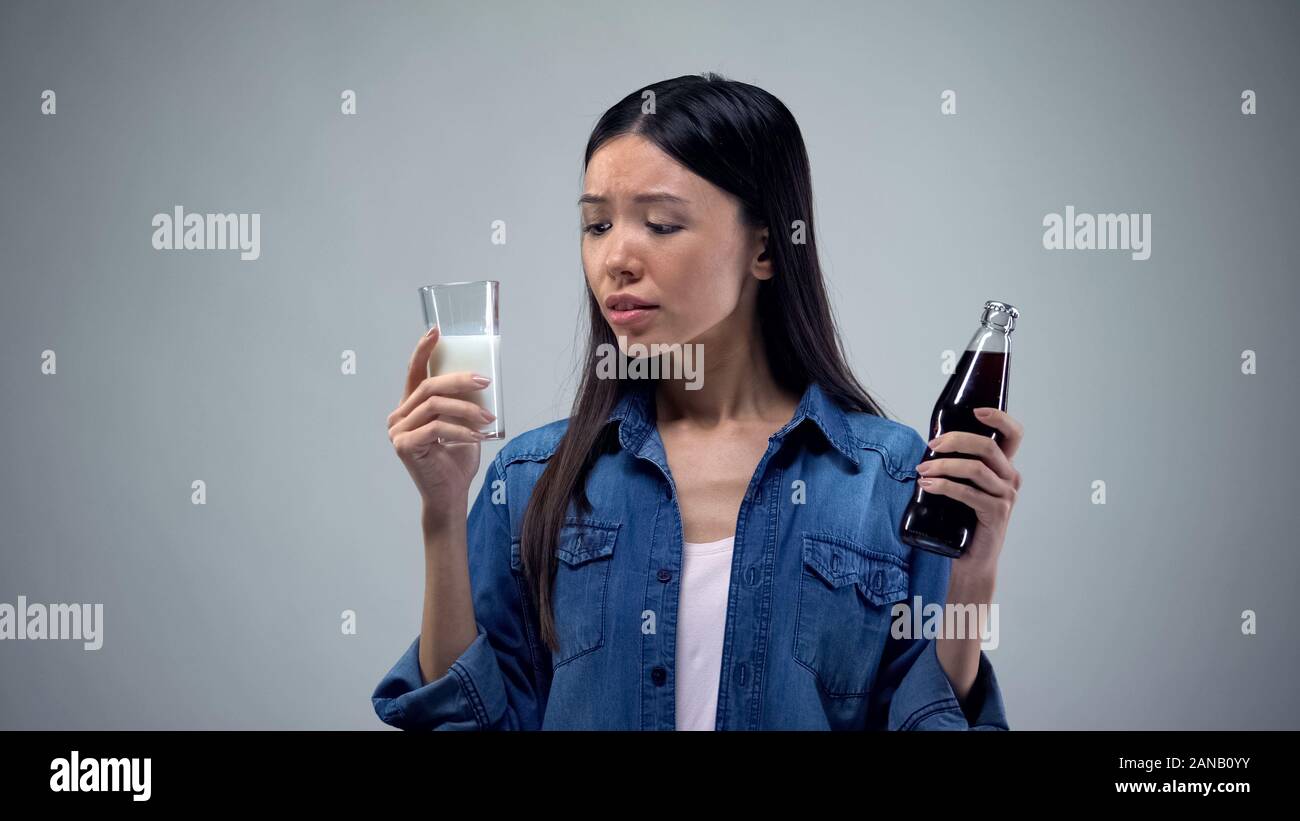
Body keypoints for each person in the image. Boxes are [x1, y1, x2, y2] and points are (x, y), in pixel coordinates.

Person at [373, 72, 1023, 730]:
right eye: (596, 224)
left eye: (659, 223)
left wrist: (972, 577)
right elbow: (461, 721)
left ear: (765, 247)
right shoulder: (531, 478)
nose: (615, 258)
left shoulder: (886, 477)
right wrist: (442, 511)